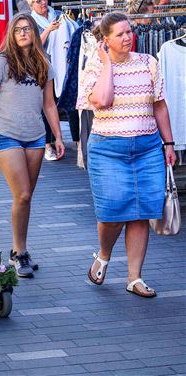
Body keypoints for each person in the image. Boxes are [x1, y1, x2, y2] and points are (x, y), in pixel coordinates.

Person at [76, 12, 175, 298]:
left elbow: (159, 106)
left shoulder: (148, 63)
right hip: (108, 149)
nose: (127, 37)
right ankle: (104, 254)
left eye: (129, 31)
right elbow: (102, 101)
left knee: (142, 211)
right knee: (111, 211)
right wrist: (107, 62)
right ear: (105, 40)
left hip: (147, 148)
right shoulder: (94, 66)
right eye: (119, 34)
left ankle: (135, 277)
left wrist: (168, 144)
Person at [0, 13, 65, 278]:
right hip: (5, 135)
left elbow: (49, 104)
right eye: (19, 30)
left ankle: (20, 250)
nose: (24, 33)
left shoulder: (43, 63)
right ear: (12, 35)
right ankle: (18, 252)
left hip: (35, 136)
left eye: (28, 29)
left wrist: (58, 137)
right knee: (23, 194)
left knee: (25, 198)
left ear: (35, 34)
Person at [29, 0, 61, 161]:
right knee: (46, 105)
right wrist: (48, 29)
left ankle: (59, 138)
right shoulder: (31, 22)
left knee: (58, 103)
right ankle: (48, 145)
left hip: (61, 67)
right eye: (37, 1)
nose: (42, 3)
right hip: (42, 69)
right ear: (31, 5)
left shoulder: (60, 15)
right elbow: (34, 46)